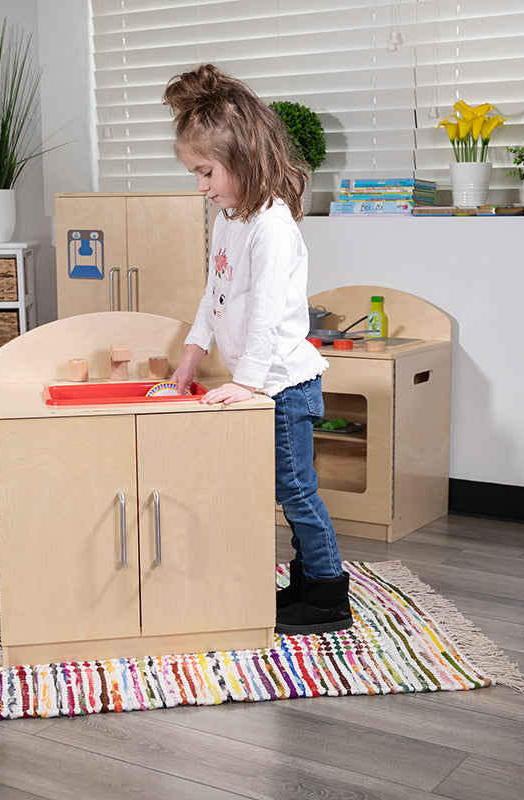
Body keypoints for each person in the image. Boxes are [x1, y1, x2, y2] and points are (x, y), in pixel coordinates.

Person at [163, 64, 352, 635]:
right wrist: (192, 355)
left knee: (295, 489)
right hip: (262, 383)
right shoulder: (229, 219)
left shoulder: (271, 225)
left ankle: (327, 595)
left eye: (205, 172)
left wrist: (245, 381)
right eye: (195, 173)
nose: (200, 185)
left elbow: (268, 314)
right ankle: (306, 578)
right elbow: (213, 295)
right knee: (283, 488)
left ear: (241, 157)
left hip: (285, 384)